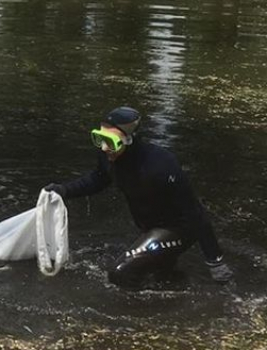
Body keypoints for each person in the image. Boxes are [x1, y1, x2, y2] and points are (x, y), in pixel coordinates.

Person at [45, 106, 232, 289]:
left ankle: (137, 314)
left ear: (128, 140)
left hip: (178, 228)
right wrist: (64, 190)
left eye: (110, 141)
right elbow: (99, 178)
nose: (104, 147)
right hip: (149, 227)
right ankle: (173, 295)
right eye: (99, 138)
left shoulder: (161, 164)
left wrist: (215, 260)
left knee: (120, 273)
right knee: (158, 276)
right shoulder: (108, 155)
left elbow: (195, 212)